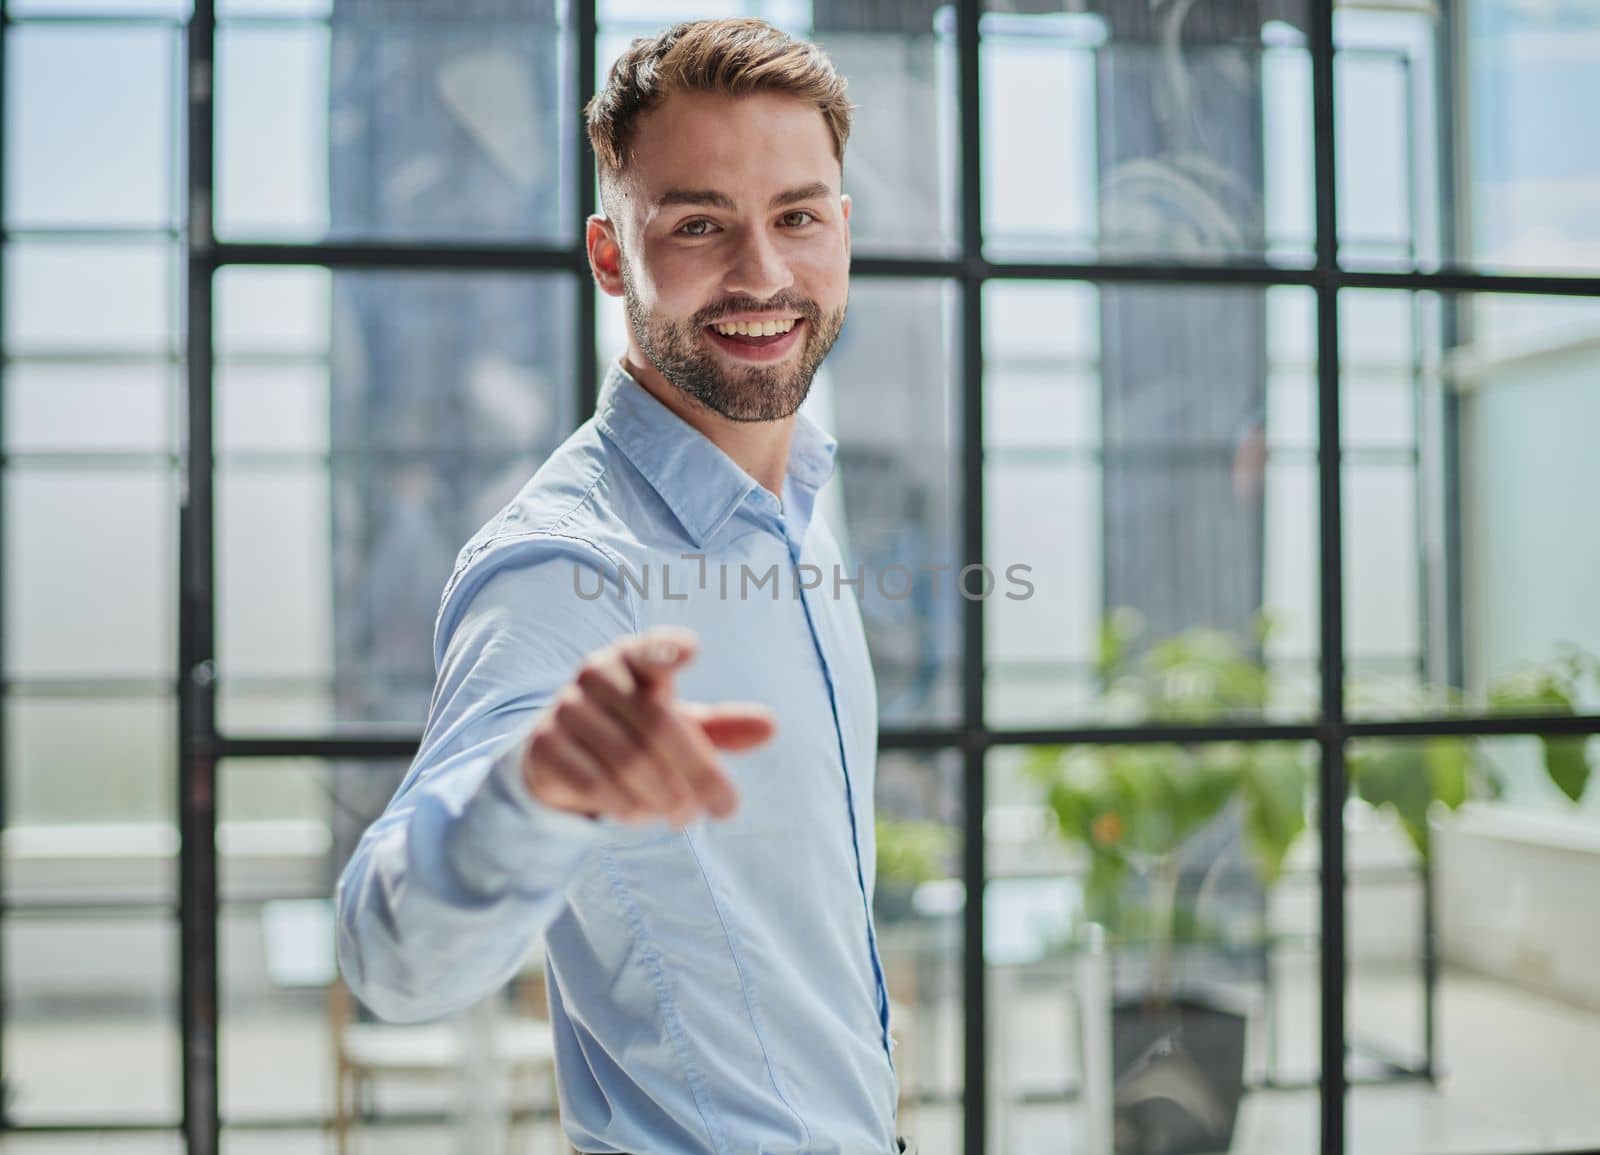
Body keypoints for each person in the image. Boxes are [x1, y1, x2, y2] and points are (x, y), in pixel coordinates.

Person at [335, 18, 917, 1155]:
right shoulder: (566, 568)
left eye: (797, 216)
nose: (764, 274)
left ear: (841, 230)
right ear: (611, 256)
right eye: (699, 224)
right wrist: (532, 793)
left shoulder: (795, 514)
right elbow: (393, 958)